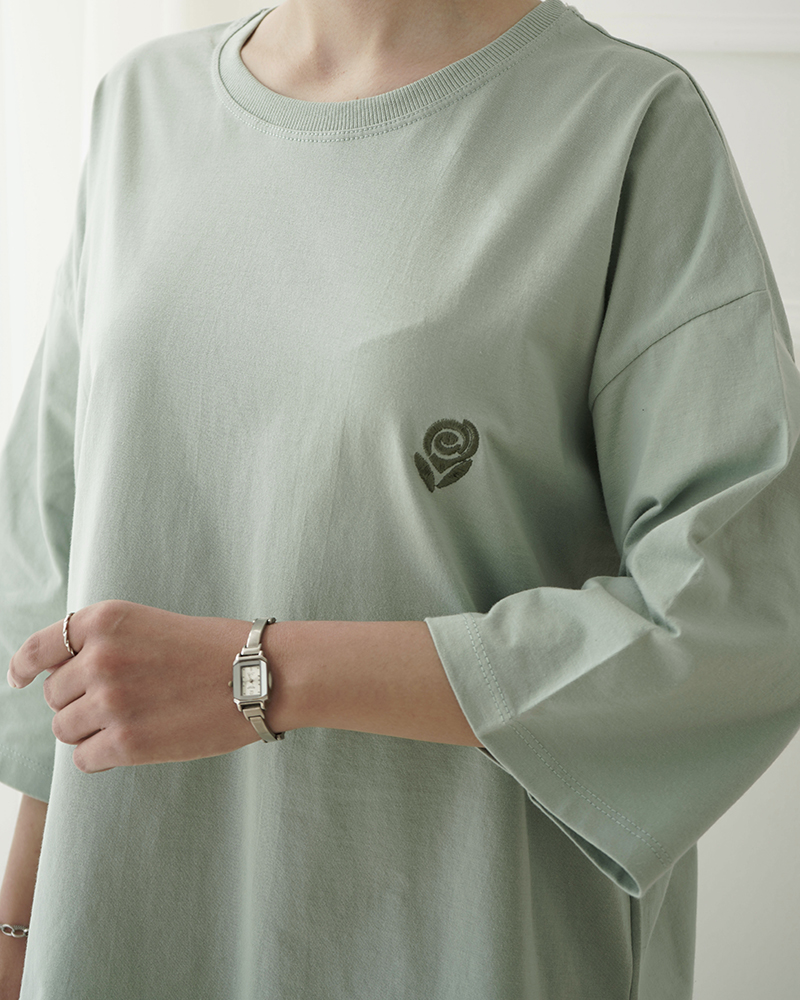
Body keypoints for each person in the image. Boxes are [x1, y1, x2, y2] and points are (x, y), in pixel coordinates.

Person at [1, 0, 799, 996]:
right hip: (123, 930)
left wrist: (263, 673)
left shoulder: (624, 124)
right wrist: (18, 922)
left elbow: (739, 613)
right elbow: (54, 554)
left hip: (452, 937)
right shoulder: (140, 105)